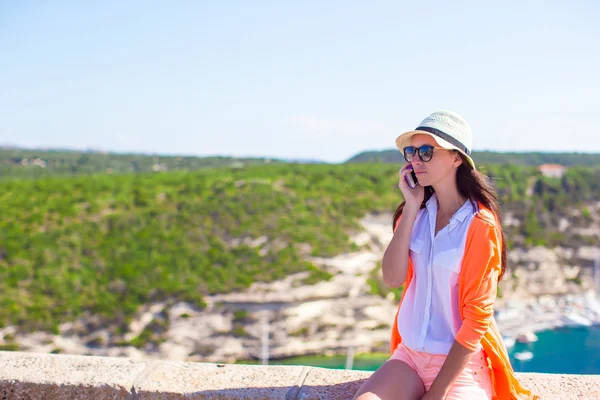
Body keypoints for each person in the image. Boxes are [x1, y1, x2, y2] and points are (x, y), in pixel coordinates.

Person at [353, 111, 538, 400]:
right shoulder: (413, 215)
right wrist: (412, 207)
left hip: (460, 367)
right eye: (411, 151)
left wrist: (438, 391)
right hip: (409, 359)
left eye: (427, 151)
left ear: (456, 158)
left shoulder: (479, 224)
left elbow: (478, 318)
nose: (415, 159)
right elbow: (392, 278)